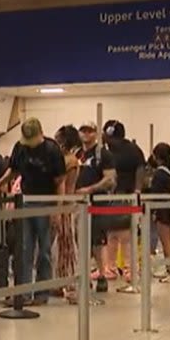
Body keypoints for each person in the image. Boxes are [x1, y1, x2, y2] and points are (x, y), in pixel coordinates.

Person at [0, 118, 65, 305]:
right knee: (23, 248)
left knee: (44, 250)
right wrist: (0, 183)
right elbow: (13, 169)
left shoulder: (52, 150)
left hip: (45, 202)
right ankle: (21, 292)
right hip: (25, 201)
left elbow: (60, 182)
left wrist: (57, 209)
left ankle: (41, 293)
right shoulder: (20, 147)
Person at [96, 120, 146, 293]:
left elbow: (141, 169)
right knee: (112, 233)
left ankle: (129, 269)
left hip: (126, 195)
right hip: (115, 195)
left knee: (126, 234)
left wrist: (137, 191)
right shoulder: (110, 150)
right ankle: (111, 267)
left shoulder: (130, 150)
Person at [74, 122, 108, 291]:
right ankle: (84, 275)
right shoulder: (77, 153)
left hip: (97, 203)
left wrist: (90, 189)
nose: (86, 134)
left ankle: (102, 274)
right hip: (78, 203)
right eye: (83, 130)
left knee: (97, 242)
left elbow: (110, 178)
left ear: (96, 133)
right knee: (81, 241)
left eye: (90, 131)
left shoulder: (102, 154)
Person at [53, 126, 82, 301]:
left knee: (67, 246)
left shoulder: (69, 161)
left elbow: (63, 186)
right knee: (60, 246)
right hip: (63, 205)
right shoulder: (64, 159)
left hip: (66, 206)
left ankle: (72, 286)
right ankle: (59, 282)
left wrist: (59, 208)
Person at [148, 143, 170, 283]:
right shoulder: (169, 171)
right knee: (167, 240)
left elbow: (155, 193)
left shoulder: (159, 173)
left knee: (166, 241)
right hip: (168, 209)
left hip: (162, 210)